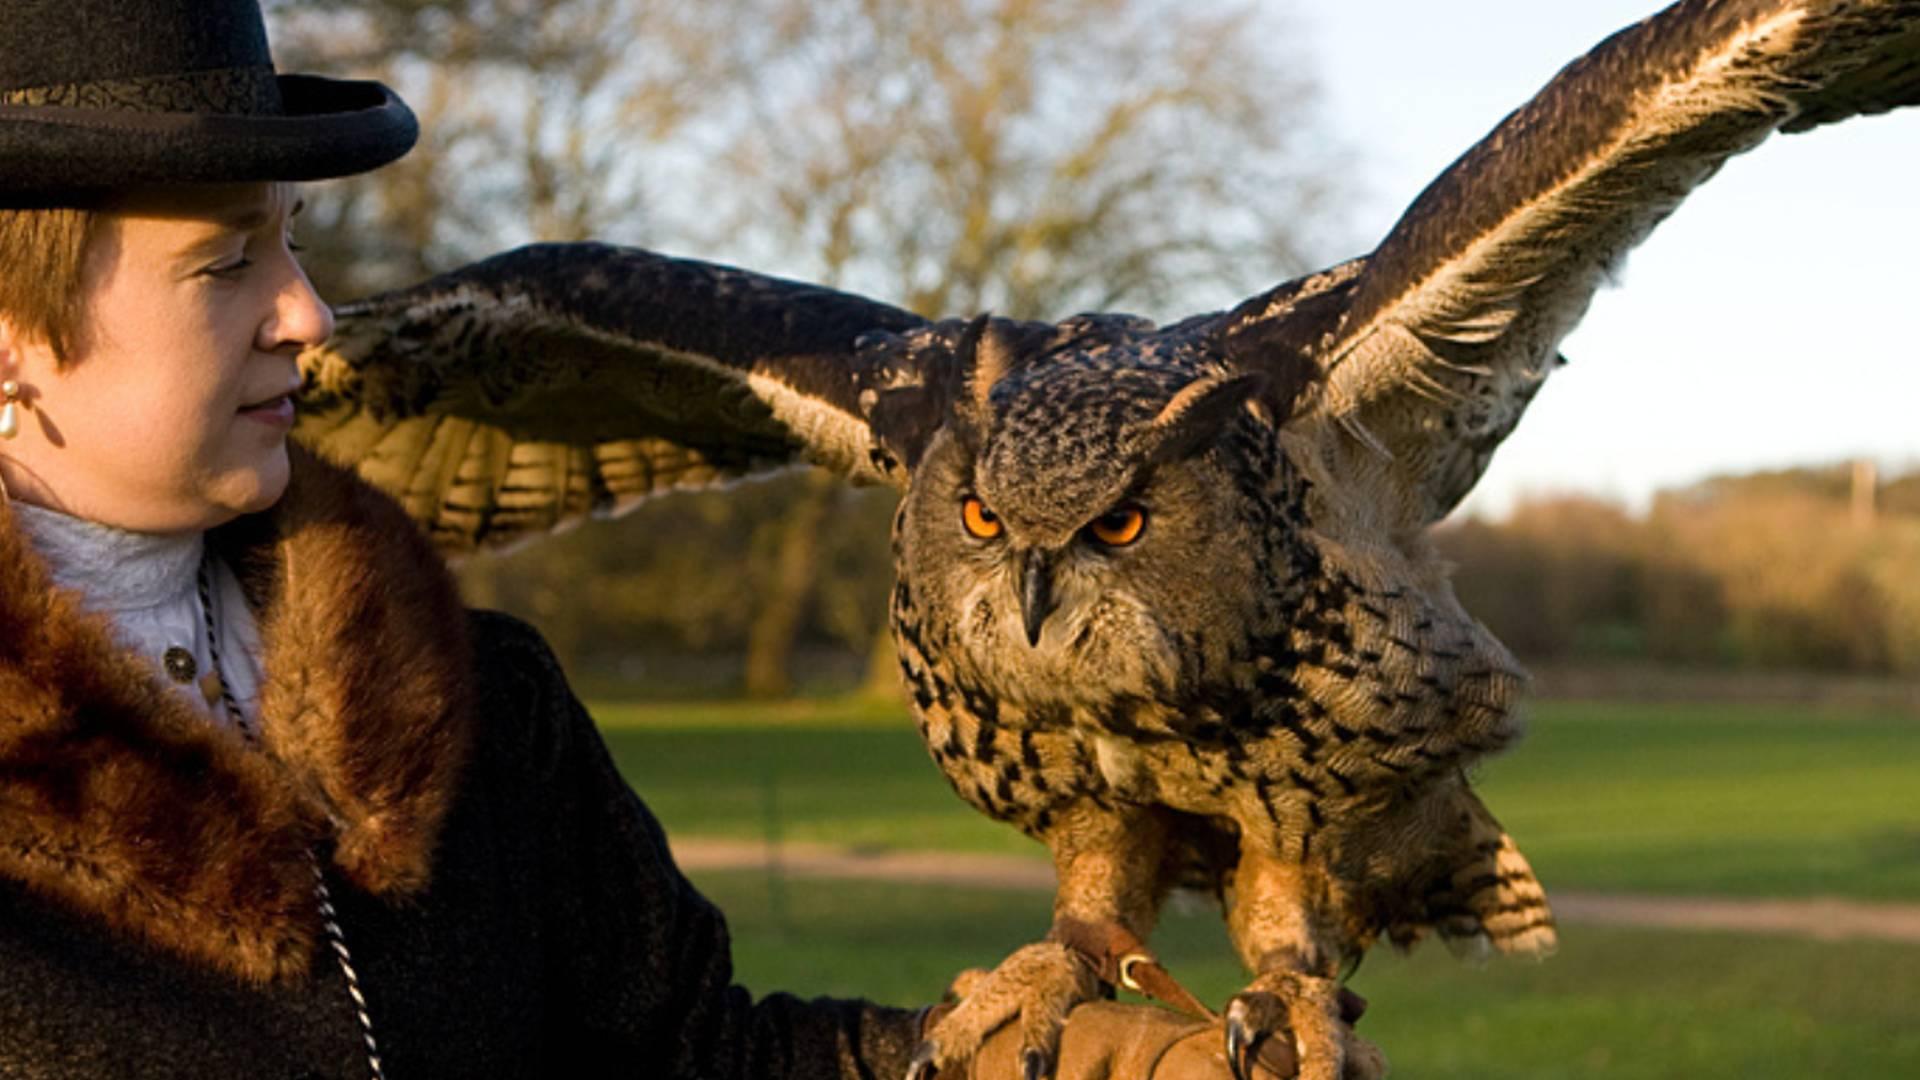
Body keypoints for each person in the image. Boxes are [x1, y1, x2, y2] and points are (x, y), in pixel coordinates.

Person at [0, 2, 1292, 1076]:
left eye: (295, 243)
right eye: (225, 265)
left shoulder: (471, 707)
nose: (311, 312)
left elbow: (690, 1061)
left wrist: (1011, 1065)